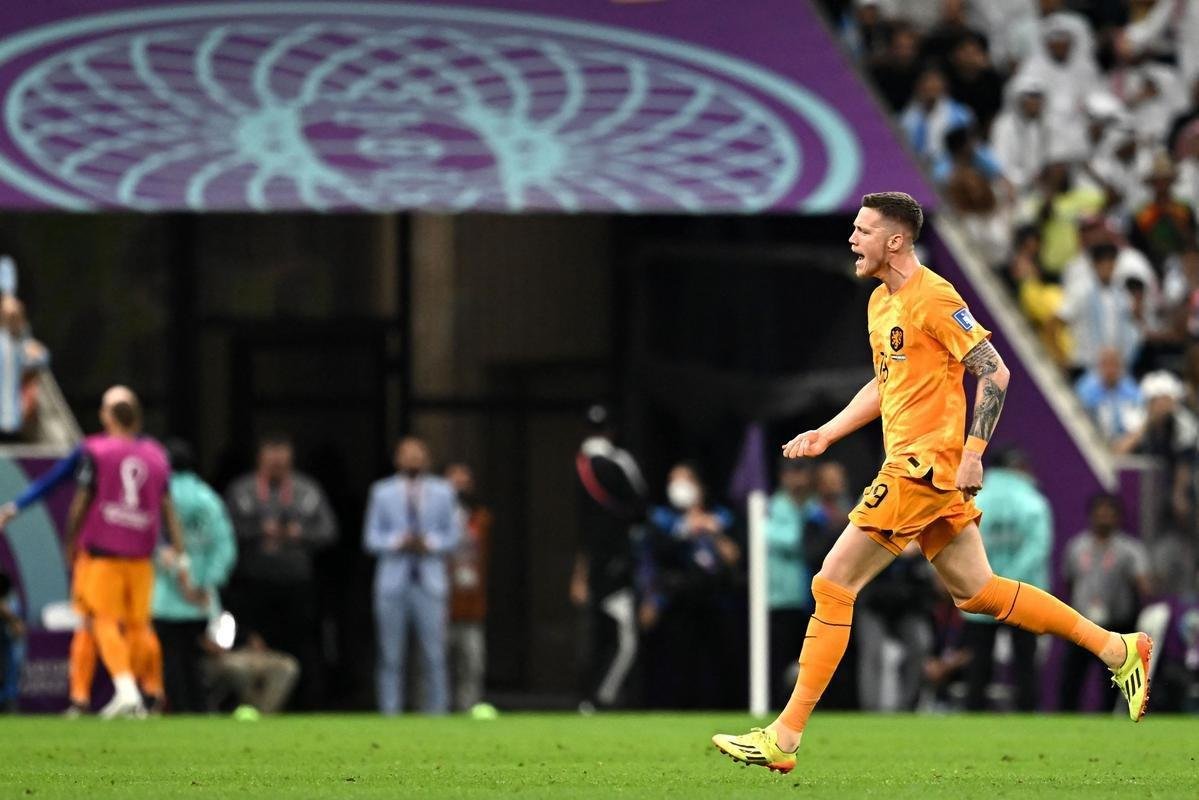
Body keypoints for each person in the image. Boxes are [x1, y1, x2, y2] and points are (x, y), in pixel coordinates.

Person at [713, 192, 1152, 775]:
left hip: (923, 468)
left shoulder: (936, 296)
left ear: (895, 241)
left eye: (863, 229)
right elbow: (883, 382)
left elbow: (995, 370)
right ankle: (1117, 647)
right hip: (922, 470)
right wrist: (827, 433)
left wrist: (974, 454)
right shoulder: (879, 303)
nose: (852, 237)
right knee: (977, 592)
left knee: (832, 584)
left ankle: (784, 737)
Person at [0, 386, 185, 718]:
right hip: (140, 557)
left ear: (107, 415)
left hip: (102, 554)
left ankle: (126, 687)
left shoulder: (95, 450)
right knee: (136, 625)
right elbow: (167, 507)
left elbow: (61, 489)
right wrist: (177, 549)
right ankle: (145, 694)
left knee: (100, 620)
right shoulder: (156, 454)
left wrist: (61, 537)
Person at [225, 434, 336, 709]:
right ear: (260, 459)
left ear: (290, 459)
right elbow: (225, 531)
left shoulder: (307, 490)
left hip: (296, 582)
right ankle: (251, 704)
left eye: (281, 459)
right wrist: (257, 531)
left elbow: (329, 532)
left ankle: (307, 705)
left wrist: (299, 534)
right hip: (254, 582)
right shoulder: (243, 490)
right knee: (252, 644)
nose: (275, 465)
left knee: (303, 646)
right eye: (270, 458)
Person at [364, 436, 461, 715]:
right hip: (393, 581)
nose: (412, 460)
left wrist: (428, 543)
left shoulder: (444, 491)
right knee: (390, 653)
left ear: (427, 459)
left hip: (429, 581)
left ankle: (437, 711)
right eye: (407, 455)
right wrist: (398, 541)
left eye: (418, 455)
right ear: (397, 459)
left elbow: (453, 536)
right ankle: (390, 712)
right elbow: (371, 538)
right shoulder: (381, 492)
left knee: (434, 653)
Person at [961, 448, 1051, 711]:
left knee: (978, 661)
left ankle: (973, 714)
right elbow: (1038, 547)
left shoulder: (976, 499)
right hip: (1023, 592)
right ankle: (1027, 714)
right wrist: (1010, 581)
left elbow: (963, 544)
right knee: (1025, 661)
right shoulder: (1034, 501)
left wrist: (989, 581)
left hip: (980, 589)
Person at [571, 403, 647, 710]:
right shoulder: (619, 461)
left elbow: (582, 527)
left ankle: (589, 696)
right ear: (611, 431)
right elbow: (640, 507)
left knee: (597, 632)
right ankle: (602, 698)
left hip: (595, 565)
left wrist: (579, 573)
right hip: (618, 562)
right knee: (624, 638)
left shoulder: (580, 464)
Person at [152, 439, 237, 713]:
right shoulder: (207, 498)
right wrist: (207, 582)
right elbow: (224, 546)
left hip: (164, 596)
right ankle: (199, 711)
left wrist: (176, 572)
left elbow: (150, 541)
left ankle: (173, 710)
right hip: (199, 599)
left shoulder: (159, 495)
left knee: (169, 662)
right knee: (194, 662)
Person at [1059, 494, 1153, 711]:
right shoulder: (1076, 546)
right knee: (1071, 680)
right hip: (1081, 625)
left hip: (1116, 625)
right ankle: (1064, 719)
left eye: (1109, 514)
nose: (1104, 518)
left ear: (1118, 518)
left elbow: (1143, 584)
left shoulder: (1129, 549)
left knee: (1111, 684)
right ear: (1091, 516)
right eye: (1100, 513)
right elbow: (1069, 582)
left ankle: (1112, 720)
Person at [445, 462, 492, 712]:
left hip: (472, 604)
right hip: (441, 603)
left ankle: (468, 708)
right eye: (454, 483)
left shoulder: (480, 517)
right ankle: (435, 712)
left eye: (464, 483)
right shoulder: (436, 519)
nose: (459, 488)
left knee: (473, 663)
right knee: (438, 664)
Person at [765, 460, 812, 708]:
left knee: (807, 661)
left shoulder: (811, 505)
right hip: (779, 599)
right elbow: (791, 540)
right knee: (778, 661)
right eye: (794, 473)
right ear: (783, 476)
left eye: (803, 472)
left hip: (808, 597)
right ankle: (774, 709)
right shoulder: (773, 507)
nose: (799, 479)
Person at [0, 571, 23, 711]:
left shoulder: (8, 594)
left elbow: (19, 630)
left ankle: (8, 700)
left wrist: (13, 620)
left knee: (9, 667)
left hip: (4, 638)